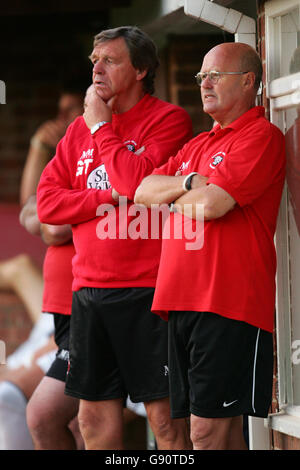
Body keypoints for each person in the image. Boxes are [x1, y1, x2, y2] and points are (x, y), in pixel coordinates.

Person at [36, 26, 193, 450]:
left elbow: (139, 182)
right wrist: (109, 196)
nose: (97, 69)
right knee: (91, 423)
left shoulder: (168, 119)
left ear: (140, 69)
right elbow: (48, 203)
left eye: (110, 60)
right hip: (87, 292)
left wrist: (103, 130)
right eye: (94, 60)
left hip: (148, 290)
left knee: (167, 424)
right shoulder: (77, 130)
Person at [134, 42, 286, 450]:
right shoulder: (197, 145)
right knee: (201, 432)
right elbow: (142, 190)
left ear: (249, 81)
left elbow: (214, 205)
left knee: (207, 432)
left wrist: (182, 197)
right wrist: (187, 184)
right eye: (202, 76)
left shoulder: (262, 136)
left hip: (228, 302)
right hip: (179, 302)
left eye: (216, 75)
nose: (205, 84)